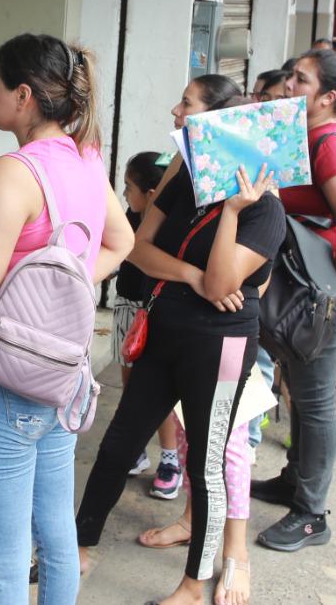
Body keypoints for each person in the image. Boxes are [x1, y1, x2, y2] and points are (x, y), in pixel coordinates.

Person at [75, 75, 285, 605]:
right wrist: (188, 277)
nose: (175, 109)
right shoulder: (184, 179)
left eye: (186, 105)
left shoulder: (264, 211)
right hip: (166, 329)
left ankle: (194, 584)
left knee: (206, 465)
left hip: (220, 347)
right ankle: (79, 545)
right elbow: (138, 249)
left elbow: (223, 286)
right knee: (120, 441)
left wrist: (233, 212)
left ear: (219, 125)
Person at [0, 34, 135, 605]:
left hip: (7, 381)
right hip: (65, 372)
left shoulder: (14, 172)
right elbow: (122, 241)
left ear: (22, 96)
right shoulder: (84, 157)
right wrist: (64, 286)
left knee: (4, 556)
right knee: (57, 535)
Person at [250, 49, 336, 552]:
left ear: (328, 98)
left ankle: (311, 513)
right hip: (304, 286)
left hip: (320, 291)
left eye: (301, 79)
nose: (288, 84)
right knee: (301, 388)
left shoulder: (329, 144)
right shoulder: (306, 133)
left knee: (317, 399)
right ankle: (295, 481)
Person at [114, 150, 184, 489]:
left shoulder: (166, 228)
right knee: (130, 386)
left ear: (152, 195)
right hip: (127, 306)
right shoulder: (128, 217)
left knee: (157, 390)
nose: (125, 194)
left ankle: (170, 458)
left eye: (129, 188)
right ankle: (138, 451)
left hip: (153, 311)